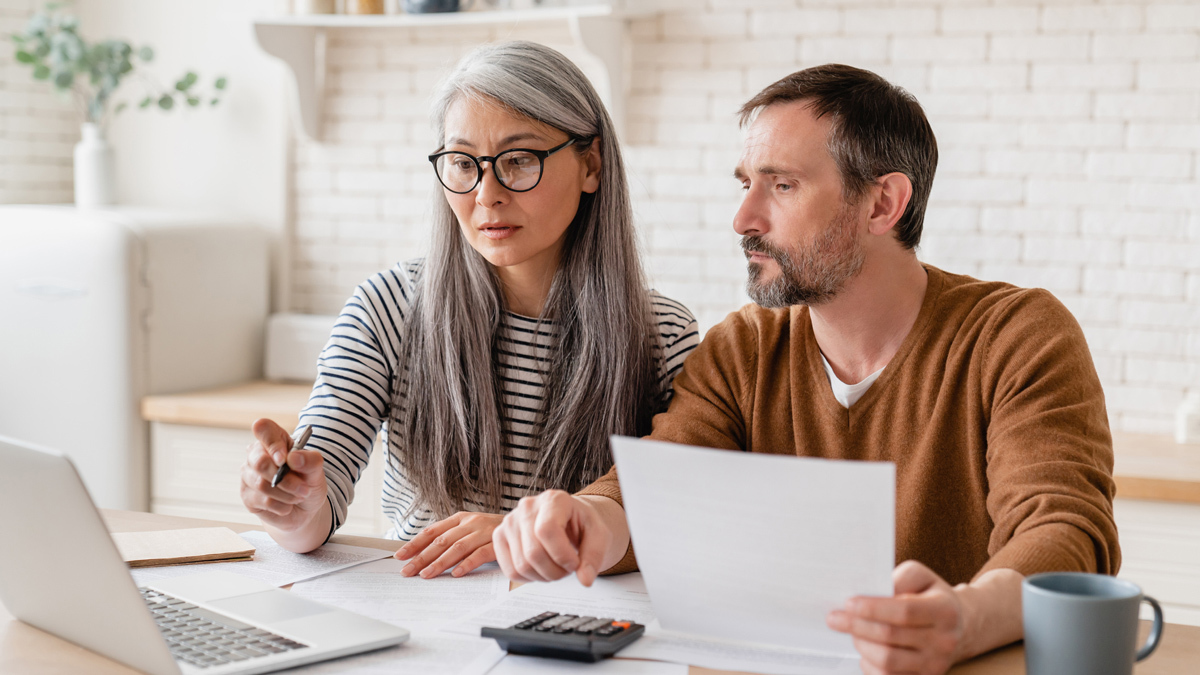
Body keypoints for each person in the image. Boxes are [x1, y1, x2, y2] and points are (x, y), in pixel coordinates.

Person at [492, 64, 1120, 675]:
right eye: (745, 185)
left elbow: (1065, 531)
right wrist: (583, 521)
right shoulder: (742, 348)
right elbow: (659, 490)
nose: (744, 220)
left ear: (882, 203)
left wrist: (963, 618)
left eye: (783, 186)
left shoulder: (1016, 335)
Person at [238, 41, 699, 581]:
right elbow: (316, 507)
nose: (487, 194)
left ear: (590, 164)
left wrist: (515, 538)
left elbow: (676, 518)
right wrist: (290, 501)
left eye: (520, 160)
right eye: (462, 163)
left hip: (582, 623)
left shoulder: (662, 334)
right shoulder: (390, 305)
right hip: (428, 613)